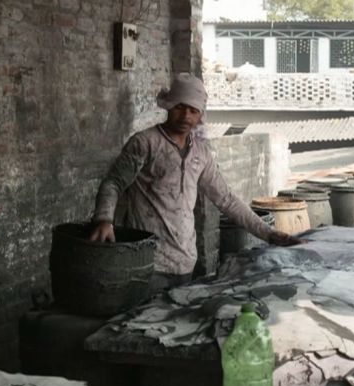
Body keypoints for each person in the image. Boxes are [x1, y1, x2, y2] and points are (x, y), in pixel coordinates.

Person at [90, 74, 300, 291]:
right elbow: (113, 182)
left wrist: (269, 234)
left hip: (185, 262)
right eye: (180, 107)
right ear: (169, 106)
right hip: (147, 262)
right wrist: (104, 219)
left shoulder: (201, 152)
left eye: (193, 110)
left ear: (200, 114)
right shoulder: (145, 143)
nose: (185, 116)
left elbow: (226, 200)